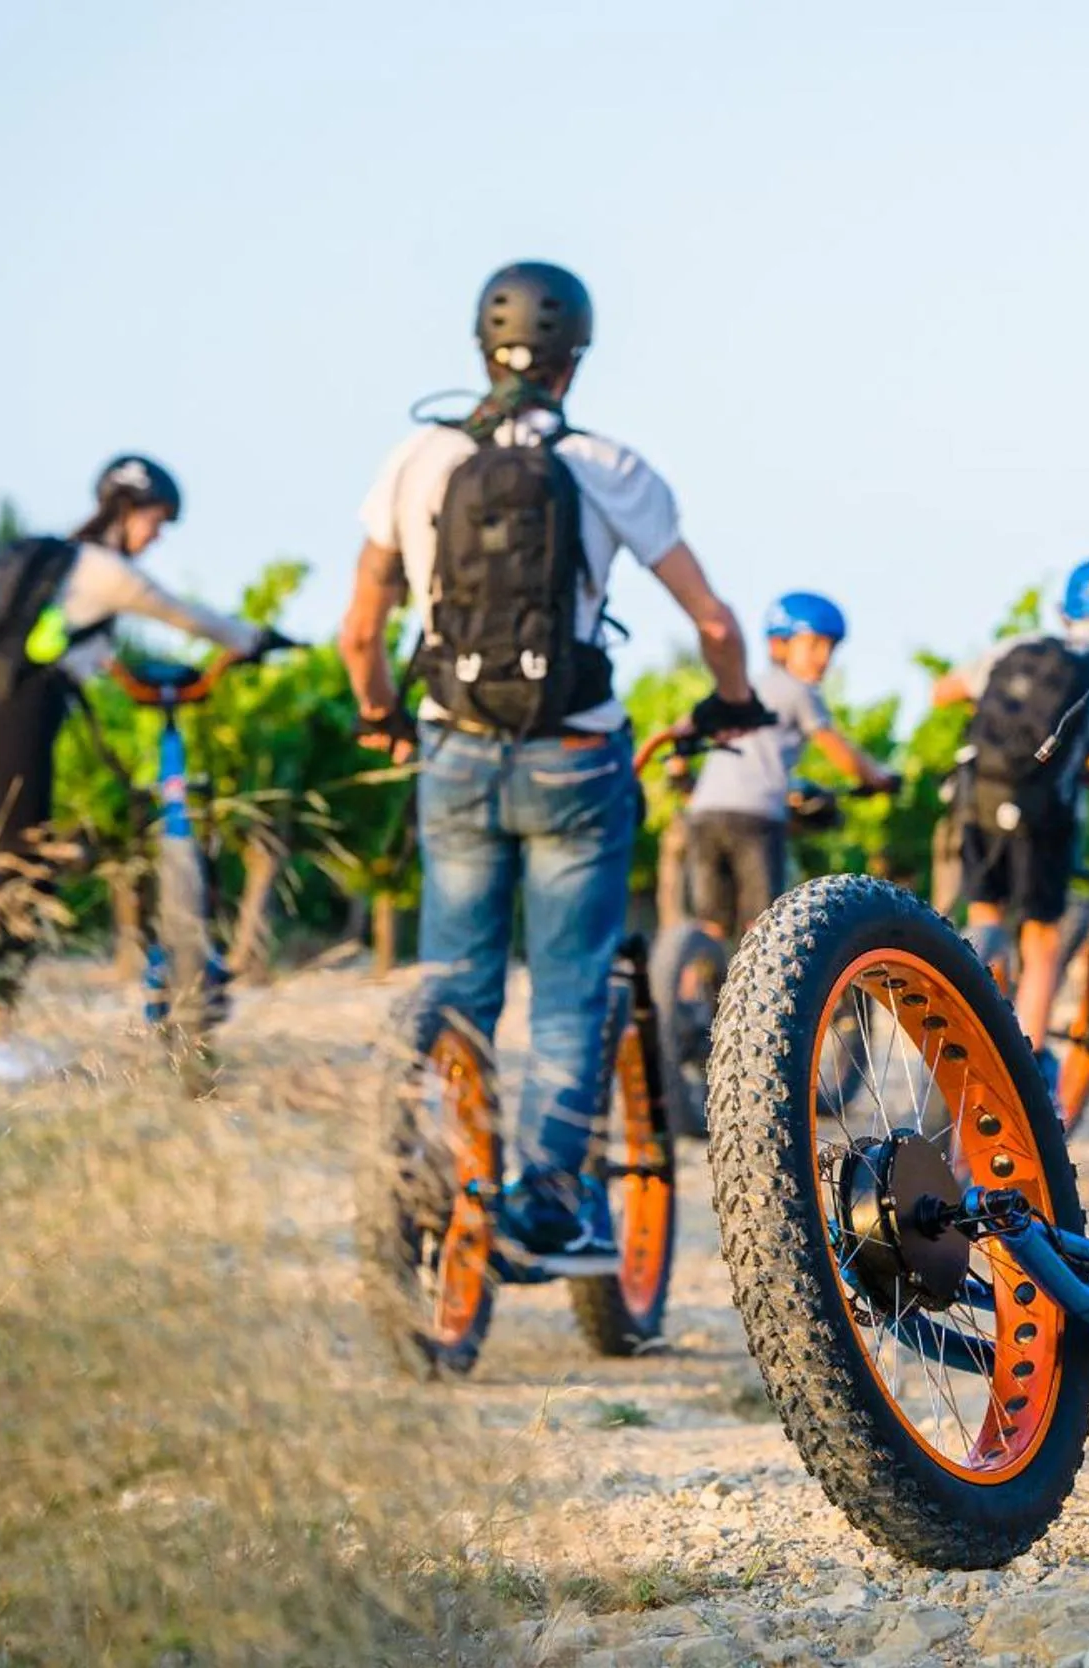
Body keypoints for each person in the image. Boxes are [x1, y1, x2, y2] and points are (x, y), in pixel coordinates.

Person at [337, 261, 770, 1268]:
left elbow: (361, 630)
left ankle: (438, 1171)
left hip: (453, 744)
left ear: (480, 350)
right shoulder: (605, 462)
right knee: (572, 989)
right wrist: (733, 701)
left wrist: (380, 716)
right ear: (574, 358)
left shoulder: (417, 459)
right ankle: (543, 1206)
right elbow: (711, 619)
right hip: (575, 752)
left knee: (456, 982)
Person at [0, 456, 275, 1083]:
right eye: (156, 521)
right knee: (21, 873)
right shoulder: (104, 570)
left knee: (0, 862)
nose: (157, 536)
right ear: (127, 512)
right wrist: (255, 640)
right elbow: (187, 615)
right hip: (20, 720)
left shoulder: (42, 564)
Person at [932, 558, 1089, 1077]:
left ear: (1063, 610)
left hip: (978, 796)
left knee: (985, 916)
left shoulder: (1017, 647)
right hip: (1043, 814)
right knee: (1042, 938)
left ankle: (961, 1021)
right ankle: (1023, 1064)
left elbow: (943, 691)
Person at [678, 592, 897, 944]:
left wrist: (679, 773)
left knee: (711, 925)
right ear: (779, 645)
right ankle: (759, 998)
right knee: (762, 923)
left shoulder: (740, 687)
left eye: (830, 648)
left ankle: (686, 994)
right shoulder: (799, 692)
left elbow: (683, 729)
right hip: (756, 816)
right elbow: (839, 750)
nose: (824, 658)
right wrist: (878, 778)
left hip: (704, 811)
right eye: (813, 646)